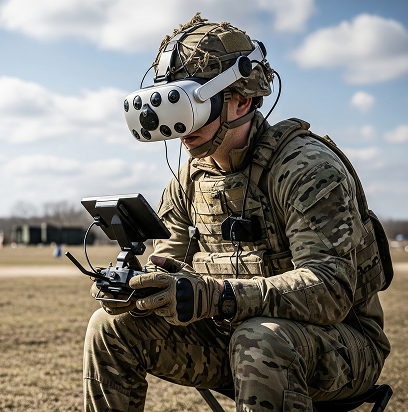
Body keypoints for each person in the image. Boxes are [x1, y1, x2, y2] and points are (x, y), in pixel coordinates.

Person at [83, 14, 392, 412]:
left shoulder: (305, 169)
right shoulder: (189, 181)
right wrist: (137, 291)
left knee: (259, 340)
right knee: (108, 328)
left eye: (191, 103)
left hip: (339, 344)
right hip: (230, 336)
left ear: (241, 100)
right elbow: (169, 265)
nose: (179, 129)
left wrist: (217, 296)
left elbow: (329, 292)